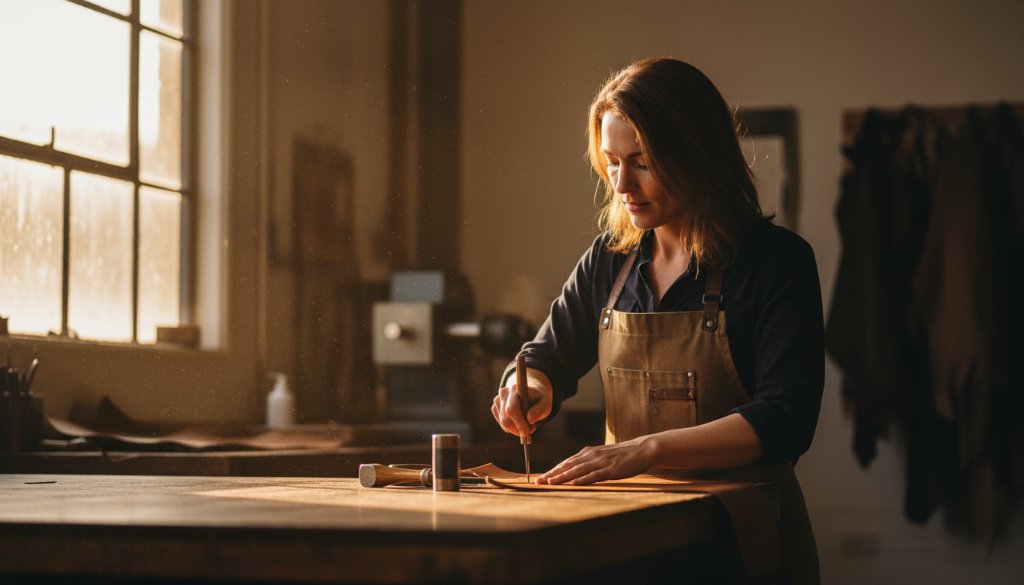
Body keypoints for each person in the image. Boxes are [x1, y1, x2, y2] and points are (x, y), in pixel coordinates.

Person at [491, 58, 823, 584]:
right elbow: (544, 357)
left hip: (740, 543)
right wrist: (525, 386)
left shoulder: (776, 263)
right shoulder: (609, 260)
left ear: (696, 154)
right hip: (631, 541)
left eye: (641, 162)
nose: (622, 184)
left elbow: (787, 418)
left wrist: (646, 450)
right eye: (612, 163)